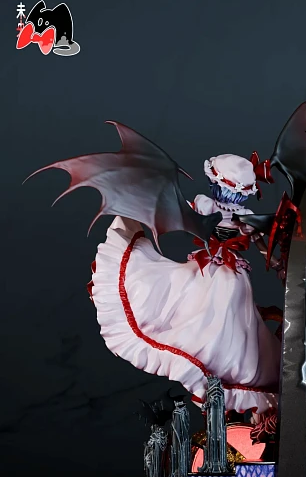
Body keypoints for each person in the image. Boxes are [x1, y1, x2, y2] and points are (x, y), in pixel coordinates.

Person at [88, 153, 281, 414]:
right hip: (206, 269)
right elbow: (177, 212)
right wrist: (150, 201)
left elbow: (259, 243)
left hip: (231, 275)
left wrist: (278, 264)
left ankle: (222, 381)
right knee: (196, 317)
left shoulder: (244, 215)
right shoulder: (205, 205)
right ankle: (209, 377)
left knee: (233, 326)